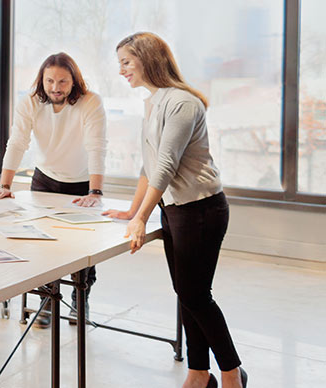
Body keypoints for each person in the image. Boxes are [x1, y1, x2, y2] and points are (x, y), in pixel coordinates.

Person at [104, 32, 247, 388]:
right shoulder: (153, 102)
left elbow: (166, 164)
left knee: (196, 295)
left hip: (201, 209)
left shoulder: (182, 102)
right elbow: (148, 165)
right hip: (176, 210)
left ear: (148, 59)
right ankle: (199, 373)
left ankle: (232, 373)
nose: (121, 70)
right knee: (187, 293)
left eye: (126, 61)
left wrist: (140, 219)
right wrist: (132, 211)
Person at [0, 52, 107, 328]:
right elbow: (17, 142)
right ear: (41, 80)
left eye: (63, 81)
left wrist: (96, 191)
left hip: (81, 184)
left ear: (74, 81)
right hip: (44, 180)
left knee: (82, 247)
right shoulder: (29, 102)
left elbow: (96, 146)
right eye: (50, 80)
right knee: (44, 243)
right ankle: (46, 301)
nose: (56, 87)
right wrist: (5, 185)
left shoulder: (91, 102)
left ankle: (80, 301)